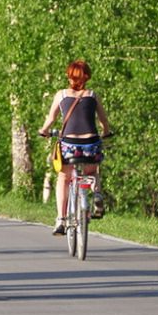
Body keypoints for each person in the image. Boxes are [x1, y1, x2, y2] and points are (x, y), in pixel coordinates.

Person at [39, 60, 112, 235]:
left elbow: (51, 119)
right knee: (92, 172)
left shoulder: (61, 95)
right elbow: (103, 120)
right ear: (87, 76)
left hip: (70, 145)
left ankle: (61, 219)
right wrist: (107, 132)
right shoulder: (93, 95)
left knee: (64, 177)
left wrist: (44, 130)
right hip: (91, 143)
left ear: (69, 76)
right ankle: (97, 195)